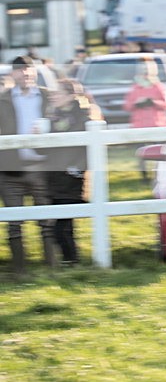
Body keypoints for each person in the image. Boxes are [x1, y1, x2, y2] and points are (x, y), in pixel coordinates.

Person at [0, 55, 57, 275]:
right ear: (13, 74)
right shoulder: (3, 100)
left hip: (41, 167)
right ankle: (19, 270)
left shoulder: (47, 97)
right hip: (11, 169)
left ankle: (51, 267)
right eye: (20, 70)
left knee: (47, 222)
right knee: (14, 224)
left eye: (29, 69)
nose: (25, 73)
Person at [43, 79, 100, 265]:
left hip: (71, 178)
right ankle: (71, 260)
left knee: (61, 226)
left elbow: (88, 150)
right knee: (63, 225)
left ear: (70, 95)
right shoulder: (53, 117)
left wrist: (76, 168)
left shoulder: (84, 117)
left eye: (57, 93)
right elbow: (45, 150)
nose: (53, 97)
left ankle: (71, 261)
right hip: (54, 177)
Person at [123, 59, 166, 181]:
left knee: (159, 152)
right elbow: (127, 106)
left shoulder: (158, 87)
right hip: (140, 125)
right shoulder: (135, 88)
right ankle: (144, 176)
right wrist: (136, 104)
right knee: (141, 152)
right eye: (143, 71)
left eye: (148, 71)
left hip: (157, 124)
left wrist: (153, 102)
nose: (145, 74)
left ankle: (160, 175)